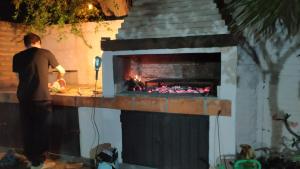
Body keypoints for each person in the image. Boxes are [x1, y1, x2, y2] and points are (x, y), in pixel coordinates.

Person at [12, 32, 65, 169]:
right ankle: (39, 162)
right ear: (39, 42)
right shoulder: (45, 53)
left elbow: (21, 79)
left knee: (28, 129)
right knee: (42, 130)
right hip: (41, 98)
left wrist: (42, 82)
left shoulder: (17, 57)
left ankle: (31, 159)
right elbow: (62, 70)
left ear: (26, 44)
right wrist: (58, 79)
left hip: (24, 98)